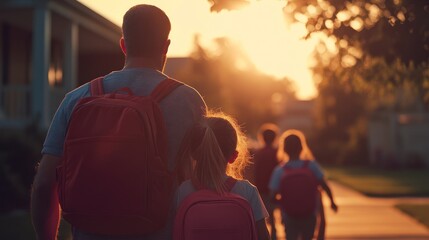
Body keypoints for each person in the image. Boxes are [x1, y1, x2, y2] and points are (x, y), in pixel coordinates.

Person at [31, 4, 206, 240]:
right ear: (166, 46)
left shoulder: (77, 99)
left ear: (123, 45)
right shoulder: (189, 101)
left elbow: (44, 184)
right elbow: (207, 180)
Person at [175, 112, 271, 240]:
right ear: (233, 157)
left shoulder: (183, 191)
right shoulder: (248, 191)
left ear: (193, 153)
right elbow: (263, 236)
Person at [268, 129, 338, 240]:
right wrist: (332, 202)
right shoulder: (311, 166)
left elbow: (272, 197)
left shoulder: (280, 170)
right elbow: (324, 185)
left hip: (289, 214)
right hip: (309, 213)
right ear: (301, 147)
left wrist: (284, 203)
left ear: (284, 149)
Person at [253, 123, 280, 239]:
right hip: (275, 188)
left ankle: (268, 233)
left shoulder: (259, 153)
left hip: (262, 187)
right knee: (273, 210)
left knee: (263, 214)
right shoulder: (278, 153)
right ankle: (274, 231)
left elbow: (255, 171)